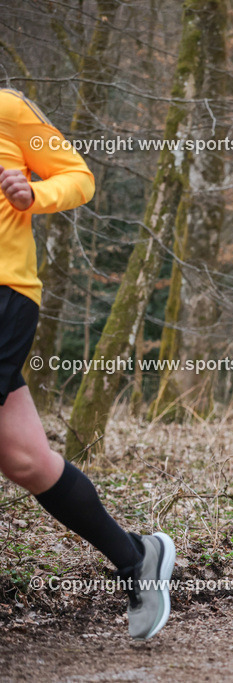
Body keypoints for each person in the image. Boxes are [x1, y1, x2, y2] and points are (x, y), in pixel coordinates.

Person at [0, 88, 174, 639]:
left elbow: (78, 177)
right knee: (27, 460)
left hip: (4, 293)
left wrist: (33, 193)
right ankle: (136, 559)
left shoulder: (7, 108)